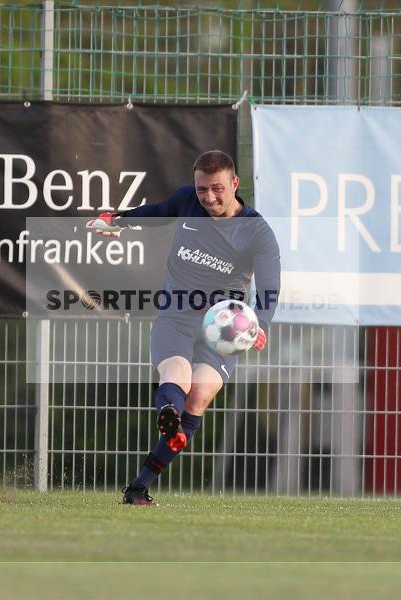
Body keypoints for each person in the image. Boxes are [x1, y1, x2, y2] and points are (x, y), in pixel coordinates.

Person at [86, 150, 281, 505]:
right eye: (202, 189)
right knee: (176, 375)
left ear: (234, 184)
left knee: (199, 397)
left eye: (217, 189)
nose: (208, 198)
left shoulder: (257, 232)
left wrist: (259, 324)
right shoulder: (186, 201)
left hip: (223, 330)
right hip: (176, 315)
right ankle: (168, 417)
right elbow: (156, 212)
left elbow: (269, 286)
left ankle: (138, 486)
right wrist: (118, 220)